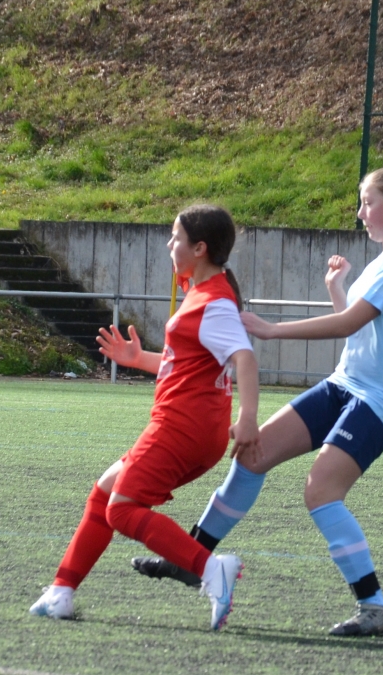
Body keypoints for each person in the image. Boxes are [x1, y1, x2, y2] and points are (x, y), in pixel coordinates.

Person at [136, 166, 383, 638]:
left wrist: (271, 329)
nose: (360, 213)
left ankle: (375, 606)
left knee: (320, 491)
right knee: (252, 455)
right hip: (346, 384)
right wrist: (337, 289)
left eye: (367, 203)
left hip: (382, 400)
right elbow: (357, 327)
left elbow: (347, 325)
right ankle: (193, 559)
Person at [28, 205, 256, 630]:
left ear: (200, 248)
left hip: (181, 427)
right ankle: (61, 592)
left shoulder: (213, 301)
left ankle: (210, 569)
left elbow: (245, 357)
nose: (169, 245)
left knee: (122, 510)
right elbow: (184, 363)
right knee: (104, 494)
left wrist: (248, 418)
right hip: (188, 427)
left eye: (176, 238)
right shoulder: (207, 292)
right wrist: (138, 359)